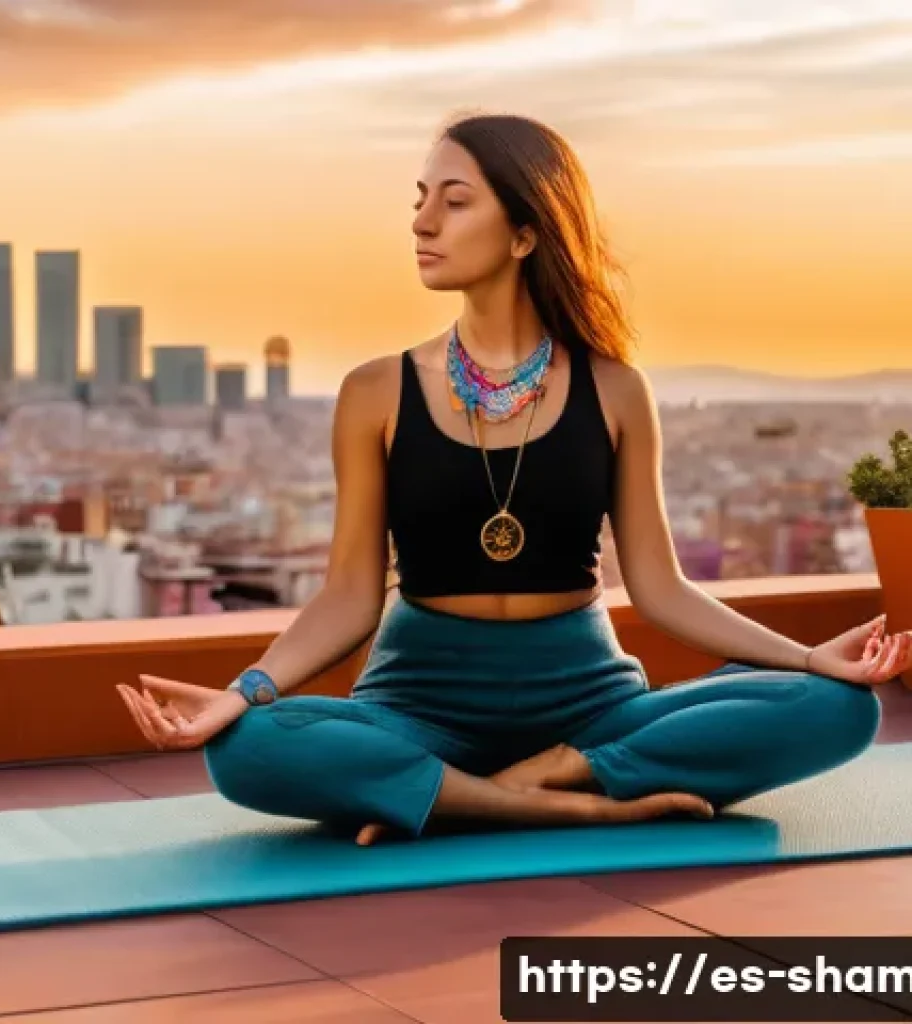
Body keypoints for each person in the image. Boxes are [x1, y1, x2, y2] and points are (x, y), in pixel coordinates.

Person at [118, 112, 911, 847]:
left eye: (454, 202)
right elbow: (350, 595)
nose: (422, 222)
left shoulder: (616, 389)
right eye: (421, 199)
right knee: (247, 748)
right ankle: (552, 802)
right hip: (417, 703)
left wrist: (809, 660)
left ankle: (519, 780)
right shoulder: (374, 393)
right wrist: (242, 691)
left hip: (589, 705)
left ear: (527, 232)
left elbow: (662, 589)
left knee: (839, 709)